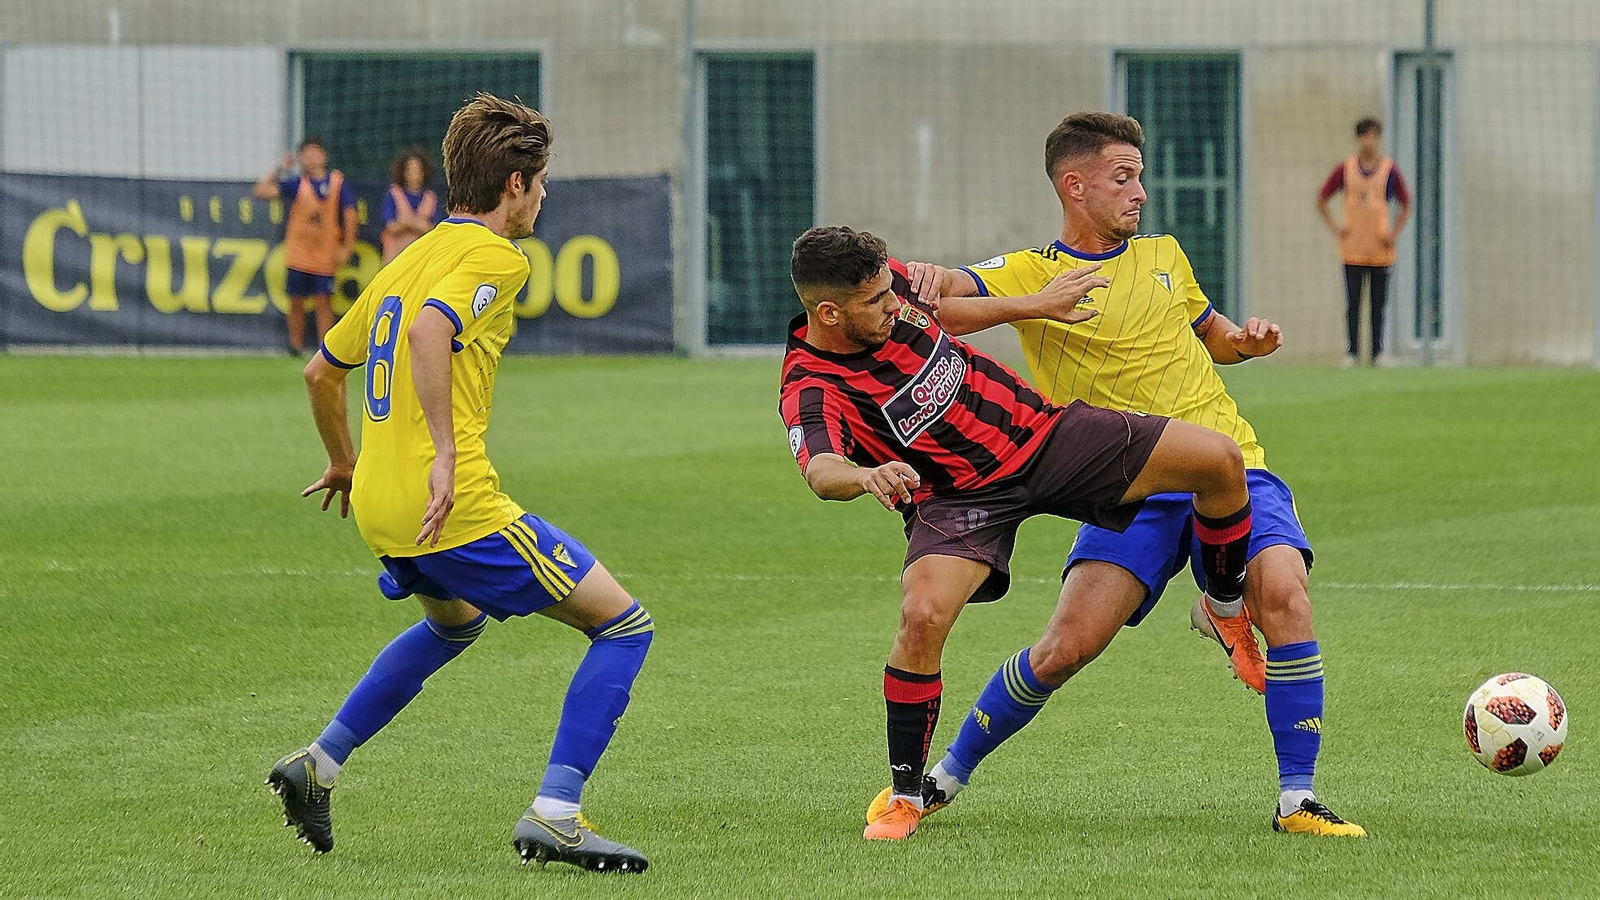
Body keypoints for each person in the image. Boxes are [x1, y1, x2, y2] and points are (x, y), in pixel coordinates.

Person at [898, 112, 1364, 837]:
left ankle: (1296, 800)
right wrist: (1022, 304)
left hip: (1232, 464)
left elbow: (1216, 339)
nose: (1140, 191)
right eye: (1123, 177)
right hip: (1130, 488)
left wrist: (1247, 341)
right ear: (1073, 185)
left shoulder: (1164, 255)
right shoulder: (1032, 271)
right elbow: (943, 306)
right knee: (1064, 648)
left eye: (1140, 175)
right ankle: (942, 779)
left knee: (1287, 597)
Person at [266, 93, 652, 873]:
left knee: (454, 624)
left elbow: (320, 372)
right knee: (624, 625)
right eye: (541, 181)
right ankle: (557, 812)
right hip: (454, 504)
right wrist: (444, 450)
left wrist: (345, 462)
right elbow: (429, 330)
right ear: (514, 183)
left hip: (379, 504)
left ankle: (319, 763)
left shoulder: (406, 257)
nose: (545, 194)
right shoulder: (497, 258)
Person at [781, 225, 1260, 843]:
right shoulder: (812, 383)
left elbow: (945, 306)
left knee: (1220, 460)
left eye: (891, 290)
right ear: (828, 313)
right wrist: (865, 475)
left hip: (1042, 437)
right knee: (921, 617)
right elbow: (821, 472)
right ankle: (904, 795)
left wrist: (1033, 304)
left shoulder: (883, 282)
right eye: (876, 303)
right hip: (959, 499)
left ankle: (1223, 606)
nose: (895, 304)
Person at [1316, 117, 1412, 367]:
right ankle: (1352, 352)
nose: (1368, 141)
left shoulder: (1389, 170)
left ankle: (1378, 353)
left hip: (1381, 249)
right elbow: (1322, 198)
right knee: (1353, 305)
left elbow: (1406, 203)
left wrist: (1394, 232)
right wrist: (1337, 229)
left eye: (1372, 136)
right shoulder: (1345, 169)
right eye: (1363, 136)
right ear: (1358, 139)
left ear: (1378, 138)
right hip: (1353, 249)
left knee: (1378, 306)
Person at [253, 138, 359, 355]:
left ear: (324, 156)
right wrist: (280, 168)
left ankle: (325, 348)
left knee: (324, 302)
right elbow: (261, 190)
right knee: (296, 301)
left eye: (315, 153)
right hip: (299, 252)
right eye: (306, 154)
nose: (310, 158)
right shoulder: (296, 183)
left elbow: (350, 214)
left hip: (326, 252)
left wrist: (347, 247)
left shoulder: (338, 183)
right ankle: (296, 346)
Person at [381, 146, 442, 264]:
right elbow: (391, 227)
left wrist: (406, 223)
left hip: (421, 258)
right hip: (396, 258)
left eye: (418, 170)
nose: (414, 175)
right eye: (410, 170)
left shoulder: (430, 197)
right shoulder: (394, 193)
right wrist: (417, 225)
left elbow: (433, 229)